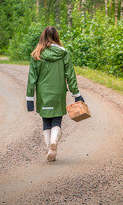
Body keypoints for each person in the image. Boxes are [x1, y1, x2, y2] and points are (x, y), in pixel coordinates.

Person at [26, 26, 84, 162]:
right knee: (56, 120)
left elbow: (31, 79)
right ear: (57, 37)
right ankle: (53, 143)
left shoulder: (36, 55)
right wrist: (77, 95)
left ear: (42, 37)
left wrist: (30, 99)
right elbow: (70, 76)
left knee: (46, 122)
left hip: (42, 93)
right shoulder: (64, 54)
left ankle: (50, 149)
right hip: (58, 93)